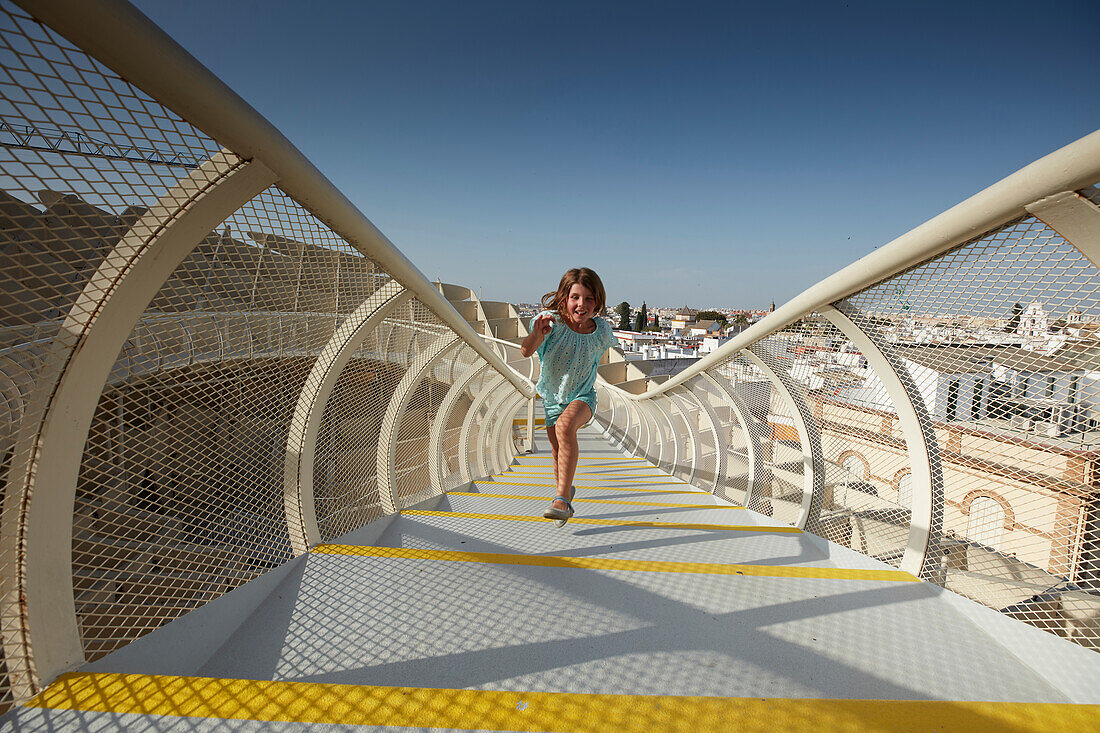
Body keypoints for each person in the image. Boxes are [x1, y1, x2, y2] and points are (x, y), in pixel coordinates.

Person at [520, 267, 618, 523]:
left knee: (565, 430)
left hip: (583, 397)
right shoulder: (550, 322)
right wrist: (536, 334)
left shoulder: (601, 331)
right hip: (553, 399)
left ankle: (562, 500)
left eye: (588, 299)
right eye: (575, 297)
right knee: (556, 451)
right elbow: (526, 351)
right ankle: (563, 494)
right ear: (564, 297)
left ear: (597, 301)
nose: (581, 304)